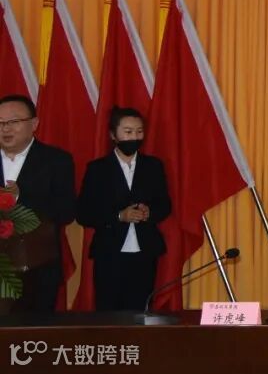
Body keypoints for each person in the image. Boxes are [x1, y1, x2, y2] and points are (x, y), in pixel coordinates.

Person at [76, 106, 172, 311]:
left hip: (145, 252)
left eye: (139, 131)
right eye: (128, 132)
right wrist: (120, 215)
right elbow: (84, 213)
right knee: (109, 312)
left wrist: (149, 212)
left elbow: (165, 205)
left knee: (141, 311)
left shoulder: (153, 166)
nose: (134, 137)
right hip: (109, 253)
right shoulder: (97, 169)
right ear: (113, 135)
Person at [0, 93, 76, 312]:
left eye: (14, 121)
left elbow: (66, 212)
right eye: (1, 123)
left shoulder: (56, 161)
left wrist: (19, 197)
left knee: (35, 329)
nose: (5, 129)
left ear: (34, 124)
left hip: (38, 268)